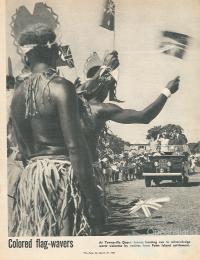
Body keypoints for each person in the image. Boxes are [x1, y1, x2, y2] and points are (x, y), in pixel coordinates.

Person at [10, 22, 106, 236]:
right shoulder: (61, 86)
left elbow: (24, 150)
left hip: (33, 182)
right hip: (63, 181)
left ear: (28, 55)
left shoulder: (17, 95)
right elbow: (75, 148)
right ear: (52, 50)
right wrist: (93, 200)